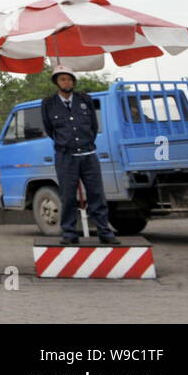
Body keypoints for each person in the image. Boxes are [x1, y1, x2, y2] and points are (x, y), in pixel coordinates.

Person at [39, 66, 120, 245]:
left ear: (73, 82)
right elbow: (50, 129)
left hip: (88, 154)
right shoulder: (48, 104)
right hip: (65, 157)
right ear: (56, 83)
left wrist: (84, 143)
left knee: (96, 194)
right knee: (67, 196)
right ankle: (69, 233)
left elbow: (92, 126)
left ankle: (104, 232)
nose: (66, 82)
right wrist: (67, 144)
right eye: (62, 79)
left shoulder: (85, 100)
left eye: (69, 79)